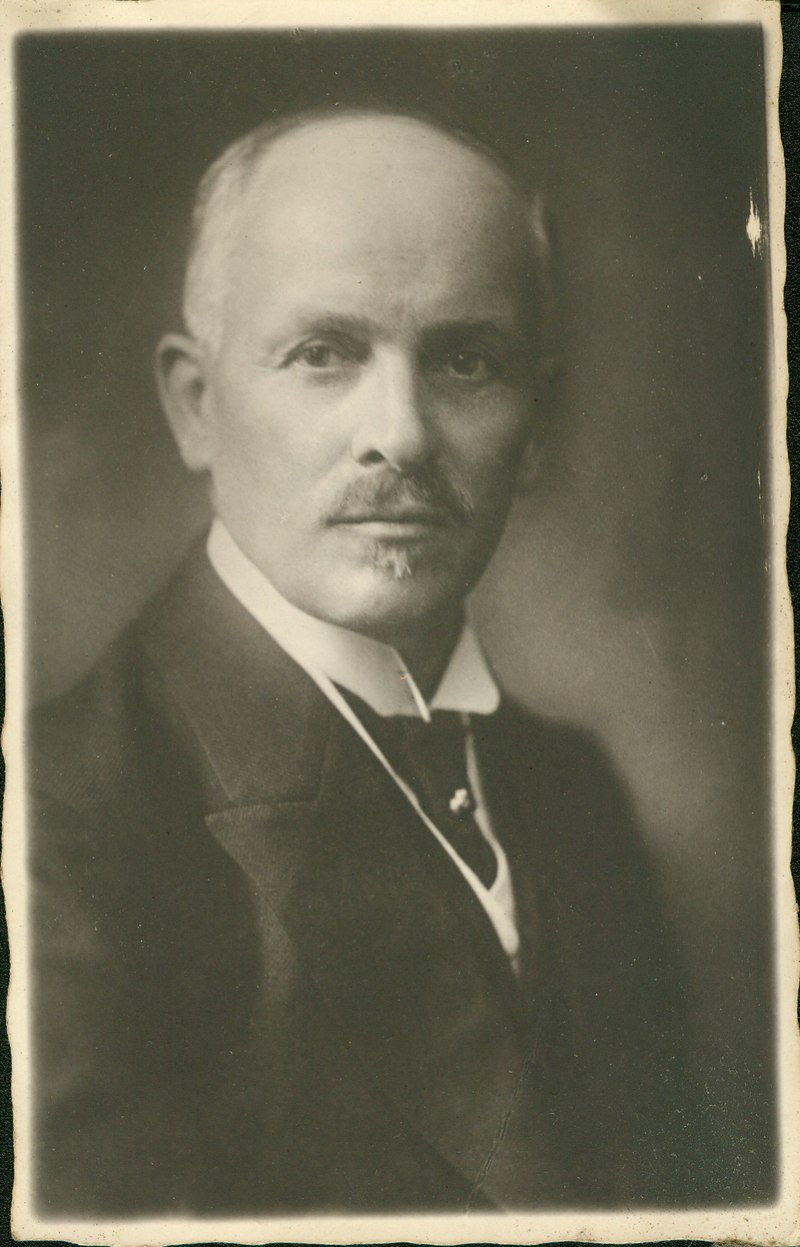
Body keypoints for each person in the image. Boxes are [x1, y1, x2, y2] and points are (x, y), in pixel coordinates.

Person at [27, 108, 695, 1216]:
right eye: (324, 354)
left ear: (535, 429)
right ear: (197, 406)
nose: (403, 433)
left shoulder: (574, 794)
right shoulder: (56, 827)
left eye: (466, 360)